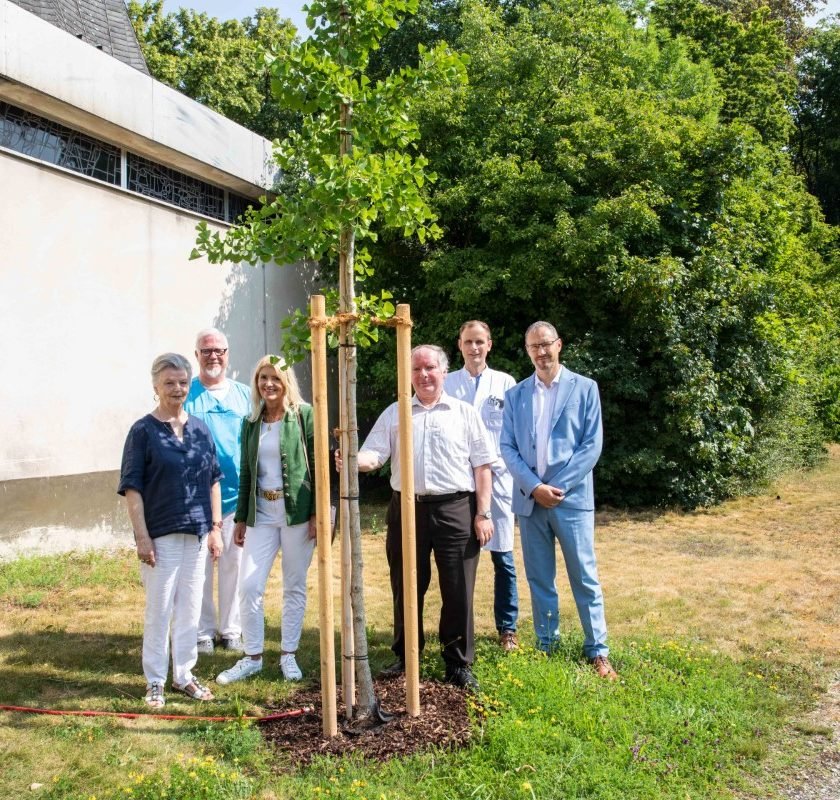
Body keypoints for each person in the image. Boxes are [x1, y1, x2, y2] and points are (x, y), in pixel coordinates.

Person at [342, 344, 495, 690]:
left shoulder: (464, 413)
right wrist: (352, 460)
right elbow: (374, 455)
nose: (423, 375)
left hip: (456, 508)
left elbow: (483, 467)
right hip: (406, 509)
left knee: (458, 588)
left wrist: (483, 514)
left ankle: (457, 663)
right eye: (416, 370)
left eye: (430, 368)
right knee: (406, 585)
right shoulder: (396, 413)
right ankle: (406, 654)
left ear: (444, 372)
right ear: (408, 375)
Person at [500, 322, 617, 679]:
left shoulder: (585, 388)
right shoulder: (516, 395)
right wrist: (535, 487)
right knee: (539, 579)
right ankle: (546, 646)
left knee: (584, 576)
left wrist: (557, 487)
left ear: (559, 345)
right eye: (534, 346)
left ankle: (597, 651)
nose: (541, 352)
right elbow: (507, 446)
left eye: (546, 344)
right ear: (527, 350)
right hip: (531, 502)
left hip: (572, 501)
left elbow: (591, 446)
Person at [118, 353, 224, 708]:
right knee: (159, 609)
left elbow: (213, 480)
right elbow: (132, 487)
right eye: (169, 383)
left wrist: (215, 528)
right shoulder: (142, 431)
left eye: (182, 382)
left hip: (196, 533)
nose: (177, 389)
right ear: (155, 386)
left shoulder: (199, 428)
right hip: (160, 535)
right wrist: (142, 536)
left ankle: (184, 675)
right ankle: (155, 680)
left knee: (191, 609)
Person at [216, 356, 316, 685]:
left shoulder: (303, 416)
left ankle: (288, 654)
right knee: (249, 585)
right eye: (262, 378)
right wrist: (242, 517)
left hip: (297, 515)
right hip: (261, 514)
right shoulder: (251, 422)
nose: (268, 384)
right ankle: (253, 656)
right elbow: (246, 472)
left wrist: (317, 513)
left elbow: (318, 469)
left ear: (286, 381)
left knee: (294, 585)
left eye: (275, 377)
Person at [444, 320, 519, 652]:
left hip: (498, 478)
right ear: (459, 345)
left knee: (503, 557)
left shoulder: (505, 383)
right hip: (458, 480)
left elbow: (515, 432)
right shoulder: (446, 383)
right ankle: (462, 627)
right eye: (468, 342)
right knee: (462, 559)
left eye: (480, 342)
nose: (474, 348)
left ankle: (508, 629)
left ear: (490, 345)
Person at [184, 328, 251, 654]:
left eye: (219, 350)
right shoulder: (187, 395)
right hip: (196, 498)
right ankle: (202, 632)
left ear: (228, 354)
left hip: (236, 497)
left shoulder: (243, 395)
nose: (213, 356)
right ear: (196, 355)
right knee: (200, 567)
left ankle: (231, 630)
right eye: (206, 350)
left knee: (234, 565)